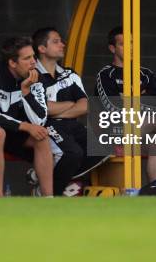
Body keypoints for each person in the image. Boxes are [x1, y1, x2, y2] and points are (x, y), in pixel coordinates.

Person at [0, 36, 53, 197]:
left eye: (33, 56)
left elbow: (40, 120)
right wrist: (26, 126)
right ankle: (0, 200)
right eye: (27, 58)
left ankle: (48, 198)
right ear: (12, 63)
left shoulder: (35, 76)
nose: (33, 62)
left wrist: (26, 91)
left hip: (11, 129)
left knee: (42, 136)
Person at [95, 26, 156, 182]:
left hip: (138, 131)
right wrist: (142, 98)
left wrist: (129, 99)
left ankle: (154, 190)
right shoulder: (105, 74)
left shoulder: (145, 73)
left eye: (131, 43)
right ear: (112, 48)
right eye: (123, 44)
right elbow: (112, 107)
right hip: (113, 132)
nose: (129, 48)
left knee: (155, 141)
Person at [32, 27, 109, 195]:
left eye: (61, 41)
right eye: (56, 41)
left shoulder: (69, 73)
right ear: (41, 48)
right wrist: (68, 104)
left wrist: (56, 111)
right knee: (73, 153)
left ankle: (43, 178)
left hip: (69, 124)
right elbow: (41, 109)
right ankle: (50, 195)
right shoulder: (32, 74)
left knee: (104, 145)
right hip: (45, 126)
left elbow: (85, 105)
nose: (62, 44)